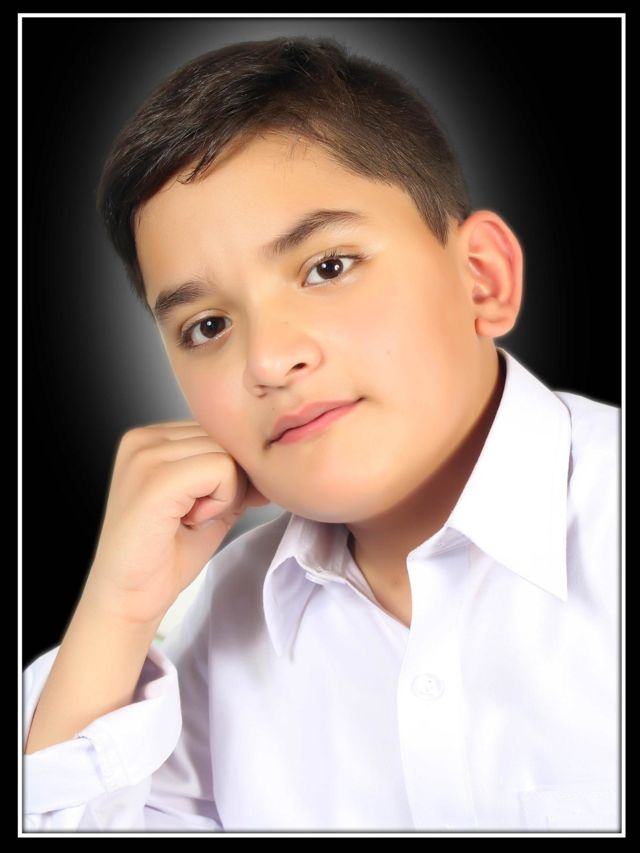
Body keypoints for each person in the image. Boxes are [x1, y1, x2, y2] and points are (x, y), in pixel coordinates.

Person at [22, 35, 620, 833]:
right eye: (208, 325)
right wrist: (118, 609)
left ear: (482, 277)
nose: (269, 360)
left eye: (328, 267)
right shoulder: (213, 629)